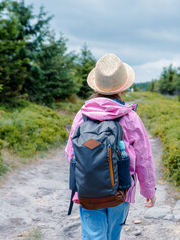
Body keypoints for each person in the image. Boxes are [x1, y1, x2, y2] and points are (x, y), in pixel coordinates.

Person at [65, 53, 156, 240]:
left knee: (93, 235)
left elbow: (70, 153)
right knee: (112, 235)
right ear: (122, 87)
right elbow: (144, 158)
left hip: (87, 190)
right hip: (120, 191)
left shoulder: (82, 115)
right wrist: (148, 191)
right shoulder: (130, 117)